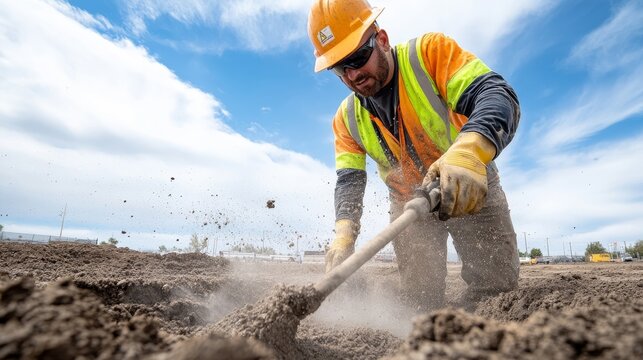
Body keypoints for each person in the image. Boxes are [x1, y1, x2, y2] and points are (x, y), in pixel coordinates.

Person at [307, 0, 520, 312]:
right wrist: (344, 234)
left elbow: (496, 95)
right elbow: (349, 181)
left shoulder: (429, 55)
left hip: (466, 181)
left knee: (496, 289)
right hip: (408, 203)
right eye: (340, 68)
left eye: (358, 57)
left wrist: (469, 151)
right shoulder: (346, 119)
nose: (352, 75)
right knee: (419, 300)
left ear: (381, 40)